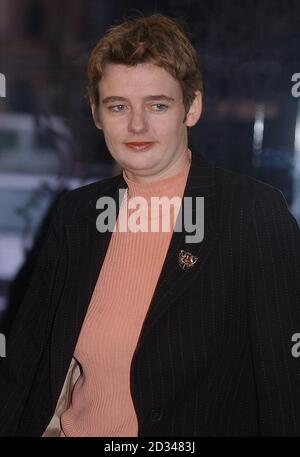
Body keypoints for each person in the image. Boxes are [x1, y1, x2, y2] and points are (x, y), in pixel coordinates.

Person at [0, 13, 300, 437]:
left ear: (191, 107)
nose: (137, 125)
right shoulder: (78, 215)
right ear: (97, 115)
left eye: (158, 105)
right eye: (118, 106)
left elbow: (286, 384)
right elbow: (27, 360)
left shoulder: (251, 214)